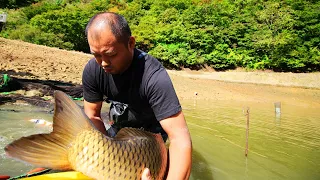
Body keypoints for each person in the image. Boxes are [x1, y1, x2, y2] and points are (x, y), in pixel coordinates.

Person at [82, 12, 192, 180]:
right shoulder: (92, 70)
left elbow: (180, 138)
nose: (103, 63)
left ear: (131, 43)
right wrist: (104, 153)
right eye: (96, 55)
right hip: (117, 133)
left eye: (111, 54)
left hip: (151, 142)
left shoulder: (154, 77)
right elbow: (92, 115)